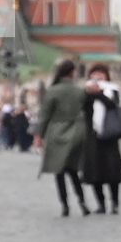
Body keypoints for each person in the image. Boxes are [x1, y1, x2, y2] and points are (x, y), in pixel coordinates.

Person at [38, 61, 89, 216]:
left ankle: (65, 205)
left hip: (56, 132)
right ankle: (82, 202)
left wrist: (41, 134)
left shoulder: (53, 91)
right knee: (73, 171)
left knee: (58, 171)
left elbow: (45, 116)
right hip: (75, 132)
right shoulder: (80, 91)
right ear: (72, 72)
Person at [80, 63, 121, 215]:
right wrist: (90, 93)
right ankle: (100, 203)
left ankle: (114, 203)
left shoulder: (112, 90)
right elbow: (83, 109)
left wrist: (99, 93)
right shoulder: (85, 92)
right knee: (95, 173)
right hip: (92, 136)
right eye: (94, 75)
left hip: (109, 136)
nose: (97, 77)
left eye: (100, 74)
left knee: (113, 172)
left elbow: (113, 106)